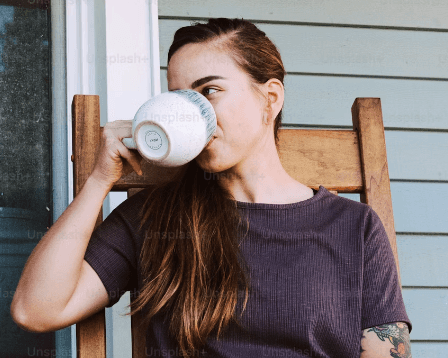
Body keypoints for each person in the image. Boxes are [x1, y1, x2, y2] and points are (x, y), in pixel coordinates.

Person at [11, 18, 412, 358]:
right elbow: (36, 309)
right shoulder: (155, 218)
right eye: (181, 98)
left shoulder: (353, 227)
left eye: (209, 91)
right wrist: (99, 180)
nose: (191, 113)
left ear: (269, 98)